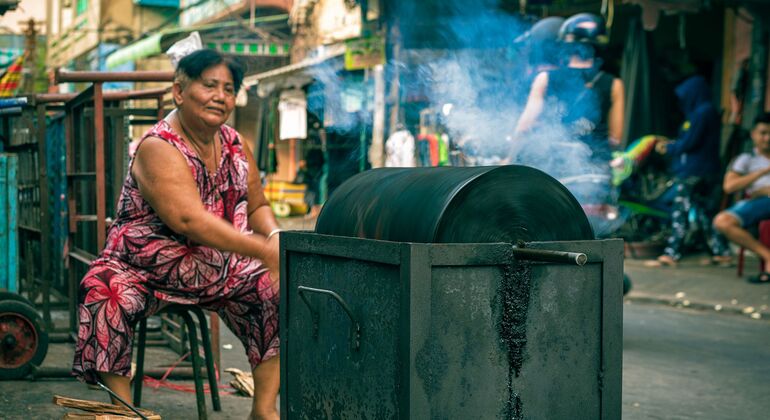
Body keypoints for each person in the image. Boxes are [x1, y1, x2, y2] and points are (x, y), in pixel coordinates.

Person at [71, 49, 281, 420]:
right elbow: (188, 220)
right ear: (179, 92)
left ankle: (263, 409)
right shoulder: (158, 147)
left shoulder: (236, 144)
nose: (220, 96)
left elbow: (259, 204)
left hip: (218, 268)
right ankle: (121, 410)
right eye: (209, 85)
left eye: (229, 89)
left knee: (276, 289)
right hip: (143, 270)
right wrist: (259, 248)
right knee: (103, 291)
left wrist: (275, 234)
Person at [514, 13, 625, 160]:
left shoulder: (545, 79)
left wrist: (508, 160)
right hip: (597, 170)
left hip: (556, 167)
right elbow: (616, 138)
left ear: (565, 45)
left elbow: (525, 127)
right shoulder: (615, 85)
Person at [651, 75, 726, 267]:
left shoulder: (702, 113)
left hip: (695, 171)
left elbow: (691, 142)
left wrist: (668, 148)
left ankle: (671, 253)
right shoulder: (702, 112)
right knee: (703, 212)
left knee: (680, 209)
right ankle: (721, 252)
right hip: (704, 169)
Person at [713, 113, 770, 283]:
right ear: (753, 134)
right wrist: (762, 172)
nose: (768, 138)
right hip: (760, 202)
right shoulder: (746, 159)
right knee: (722, 221)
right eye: (763, 133)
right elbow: (729, 186)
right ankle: (768, 256)